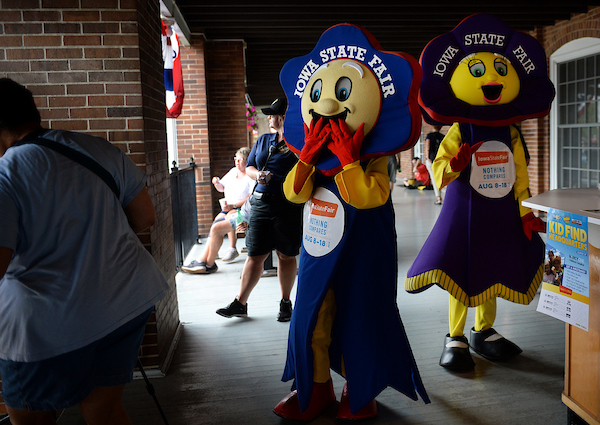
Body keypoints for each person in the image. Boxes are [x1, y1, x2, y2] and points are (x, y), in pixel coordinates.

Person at [274, 24, 429, 421]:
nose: (327, 107)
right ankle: (314, 388)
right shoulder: (307, 150)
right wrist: (308, 157)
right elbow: (293, 194)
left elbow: (372, 195)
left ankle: (358, 391)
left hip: (364, 245)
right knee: (310, 316)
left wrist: (349, 160)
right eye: (321, 95)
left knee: (360, 311)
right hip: (319, 244)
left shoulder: (378, 151)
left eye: (342, 94)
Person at [0, 78, 169, 425]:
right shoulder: (96, 148)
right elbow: (145, 216)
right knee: (104, 410)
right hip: (126, 300)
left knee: (29, 417)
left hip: (46, 323)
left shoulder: (6, 174)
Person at [405, 14, 553, 373]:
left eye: (501, 70)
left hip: (501, 212)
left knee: (493, 268)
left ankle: (482, 331)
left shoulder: (511, 132)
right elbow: (439, 172)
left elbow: (520, 177)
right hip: (465, 211)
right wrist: (455, 162)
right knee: (461, 269)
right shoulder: (460, 128)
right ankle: (455, 334)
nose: (491, 80)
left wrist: (526, 213)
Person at [215, 97, 302, 322]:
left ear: (283, 116)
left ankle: (285, 302)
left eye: (273, 114)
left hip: (287, 204)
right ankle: (240, 303)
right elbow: (251, 166)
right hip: (262, 202)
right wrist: (259, 175)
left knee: (285, 254)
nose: (269, 118)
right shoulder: (263, 140)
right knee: (255, 254)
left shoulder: (298, 141)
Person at [181, 147, 253, 273]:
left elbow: (250, 198)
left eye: (240, 159)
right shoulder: (233, 172)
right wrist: (216, 182)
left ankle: (208, 264)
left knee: (216, 228)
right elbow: (221, 187)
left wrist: (234, 205)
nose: (236, 162)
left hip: (242, 212)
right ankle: (203, 261)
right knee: (216, 222)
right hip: (230, 209)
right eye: (235, 159)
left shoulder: (250, 176)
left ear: (247, 161)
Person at [424, 126, 445, 204]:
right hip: (440, 160)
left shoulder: (430, 135)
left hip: (431, 160)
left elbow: (427, 146)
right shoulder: (443, 137)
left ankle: (439, 198)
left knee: (434, 178)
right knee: (439, 178)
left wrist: (427, 157)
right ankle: (441, 196)